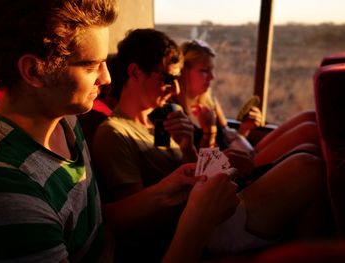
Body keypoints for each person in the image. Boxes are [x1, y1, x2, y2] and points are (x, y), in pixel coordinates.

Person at [0, 2, 240, 263]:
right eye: (91, 66)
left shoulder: (68, 119)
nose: (108, 77)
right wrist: (198, 224)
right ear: (34, 70)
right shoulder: (10, 190)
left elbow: (95, 223)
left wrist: (165, 190)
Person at [92, 28, 333, 262]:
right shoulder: (114, 134)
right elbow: (139, 224)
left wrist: (189, 149)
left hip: (212, 204)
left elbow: (181, 173)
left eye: (178, 79)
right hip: (192, 226)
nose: (176, 89)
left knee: (309, 153)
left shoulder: (159, 119)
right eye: (168, 79)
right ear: (135, 73)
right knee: (306, 167)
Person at [176, 39, 321, 168]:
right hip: (227, 170)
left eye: (212, 71)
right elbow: (199, 168)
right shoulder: (176, 114)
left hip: (242, 155)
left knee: (310, 117)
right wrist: (209, 132)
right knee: (308, 133)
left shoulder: (209, 101)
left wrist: (244, 130)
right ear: (182, 72)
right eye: (204, 71)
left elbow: (228, 139)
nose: (212, 77)